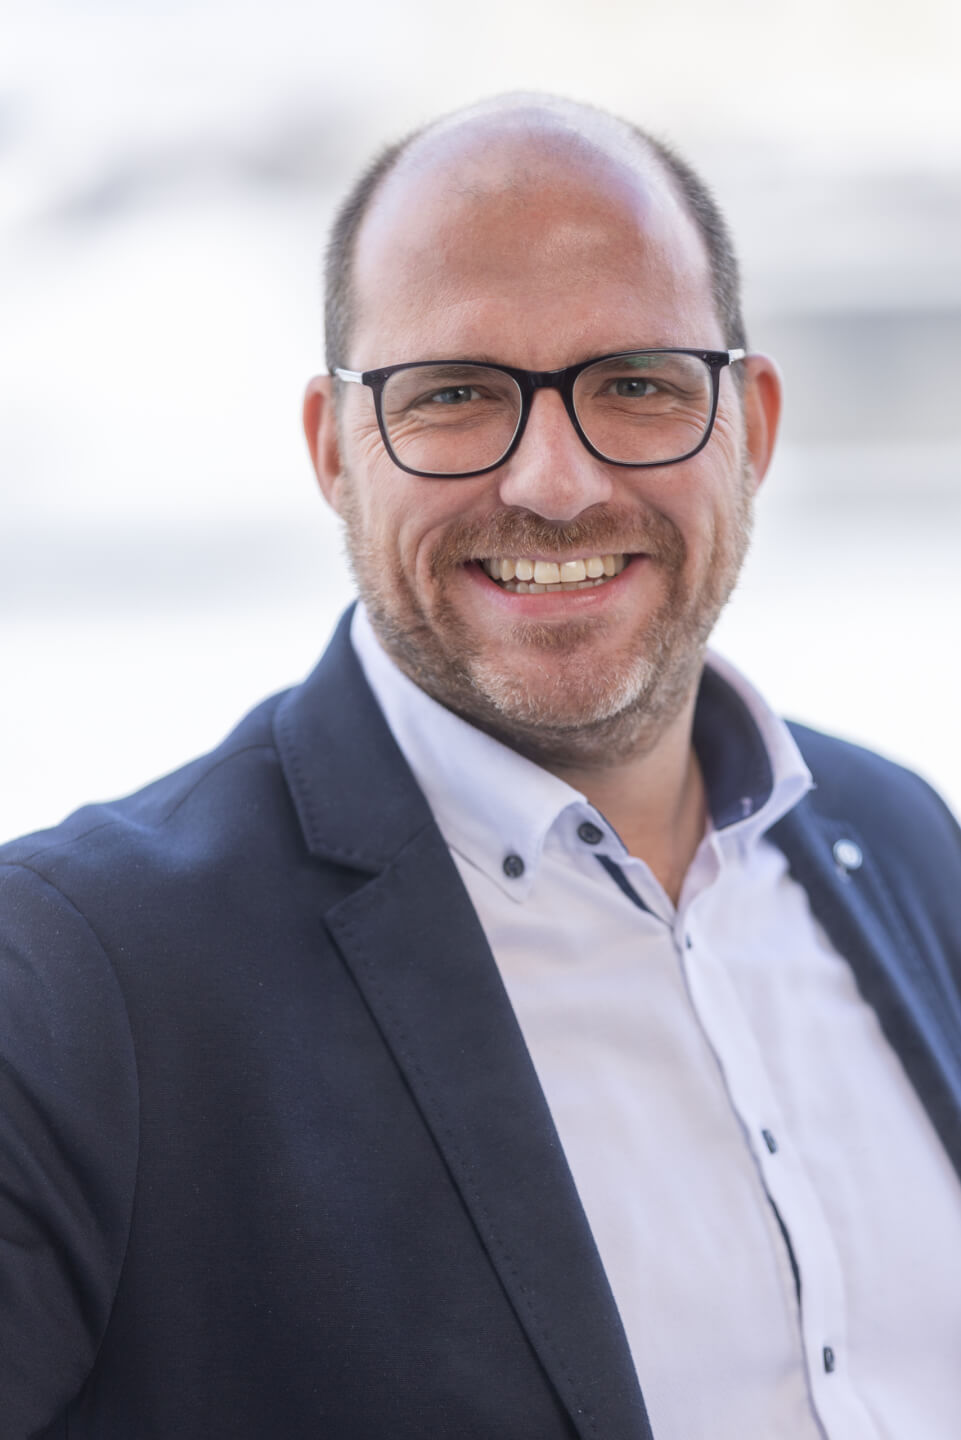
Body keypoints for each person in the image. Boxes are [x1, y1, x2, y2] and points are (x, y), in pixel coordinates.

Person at [1, 93, 960, 1440]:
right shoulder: (70, 976)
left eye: (637, 383)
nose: (555, 484)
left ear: (750, 425)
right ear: (333, 451)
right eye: (455, 394)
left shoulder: (905, 838)